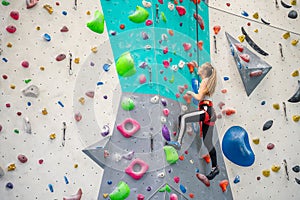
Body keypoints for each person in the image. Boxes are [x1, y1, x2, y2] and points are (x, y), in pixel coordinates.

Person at [166, 62, 219, 180]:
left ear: (204, 72)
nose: (199, 69)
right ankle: (215, 167)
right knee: (208, 142)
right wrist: (194, 70)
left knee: (183, 118)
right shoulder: (207, 82)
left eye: (201, 68)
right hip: (210, 113)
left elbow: (199, 97)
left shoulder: (205, 82)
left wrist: (191, 93)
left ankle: (178, 143)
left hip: (206, 110)